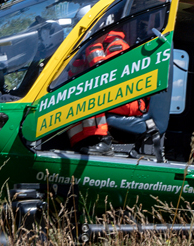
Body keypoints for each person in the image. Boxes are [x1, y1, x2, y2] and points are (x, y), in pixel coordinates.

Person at [64, 24, 149, 152]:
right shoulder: (89, 47)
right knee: (74, 95)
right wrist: (78, 57)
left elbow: (105, 76)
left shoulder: (117, 45)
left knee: (93, 94)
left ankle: (103, 140)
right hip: (119, 96)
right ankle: (81, 142)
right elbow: (73, 76)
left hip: (130, 99)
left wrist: (93, 46)